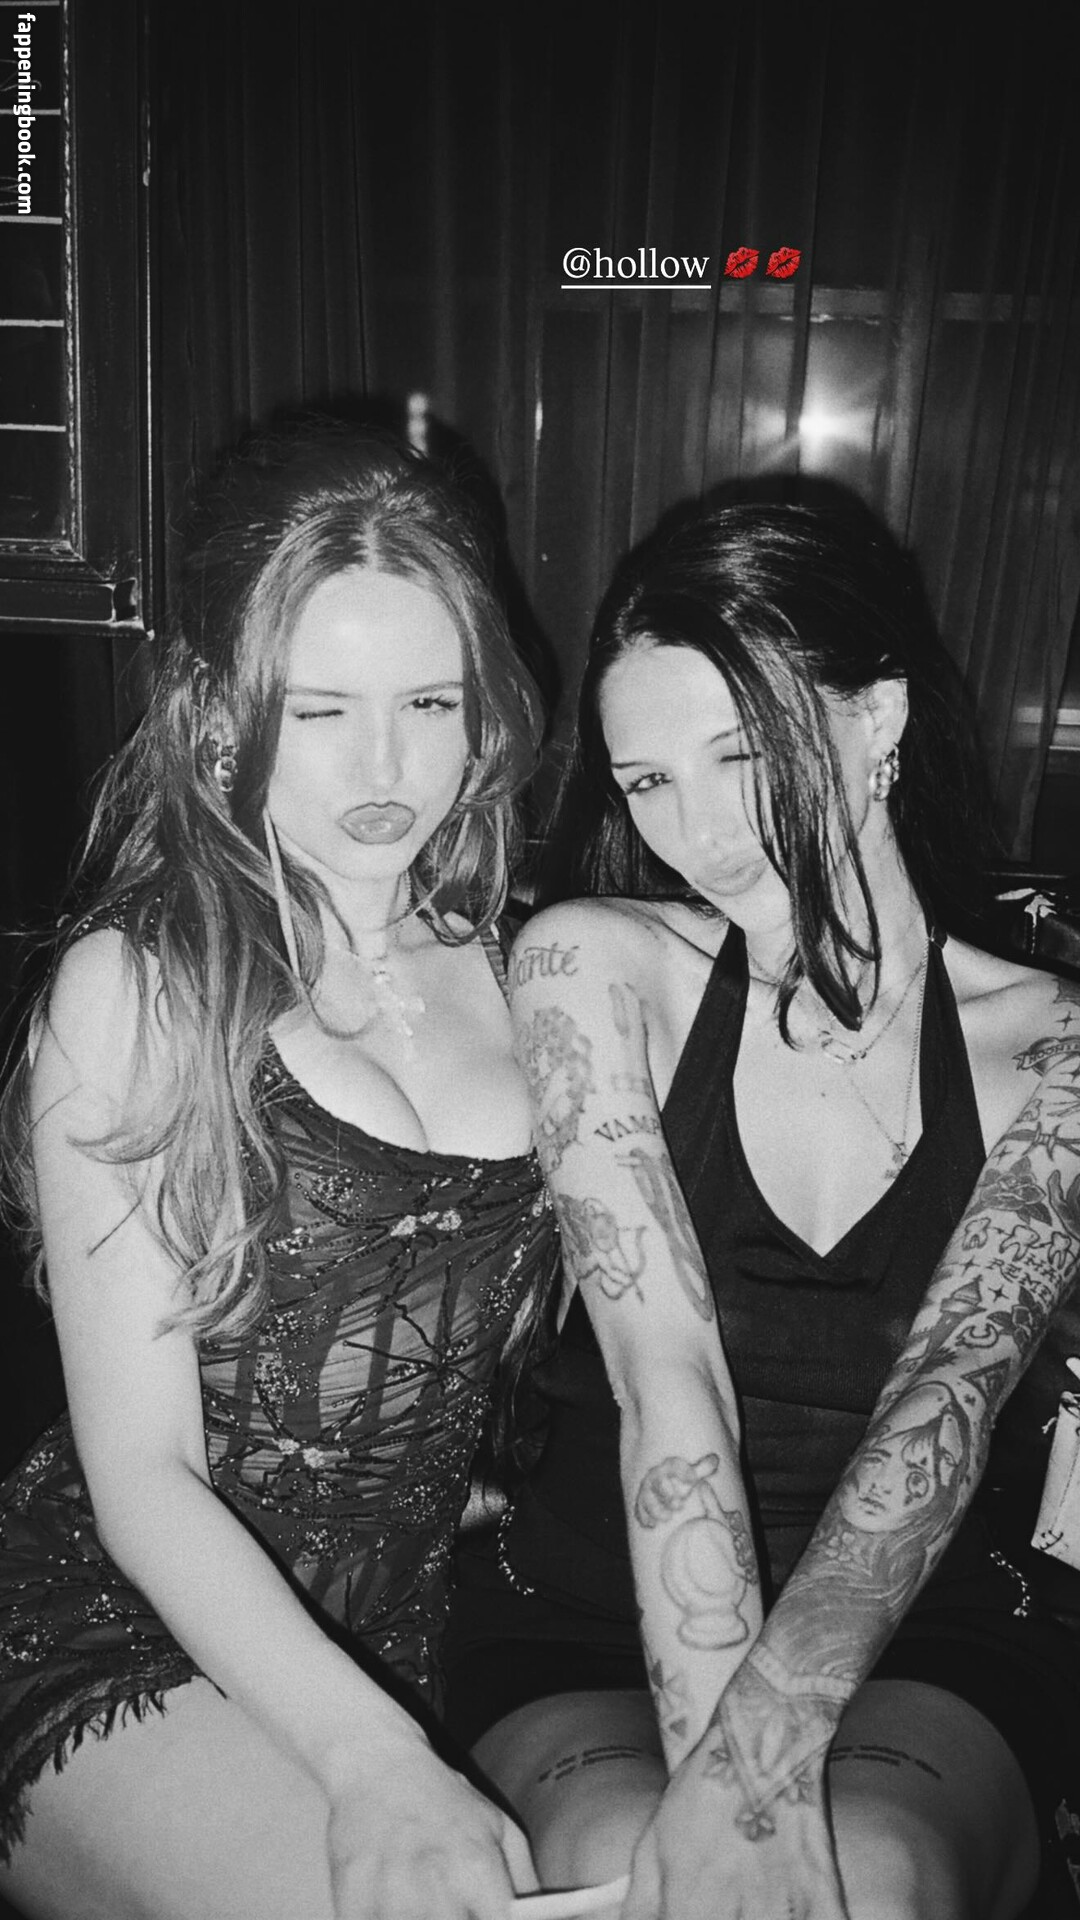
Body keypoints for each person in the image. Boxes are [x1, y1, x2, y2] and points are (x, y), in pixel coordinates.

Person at [443, 503, 1080, 1919]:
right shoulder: (591, 965)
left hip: (922, 1634)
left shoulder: (1057, 1047)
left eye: (739, 754)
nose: (699, 828)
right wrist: (727, 1796)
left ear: (878, 719)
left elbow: (944, 1405)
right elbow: (665, 1378)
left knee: (874, 1886)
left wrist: (761, 1765)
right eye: (648, 779)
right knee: (626, 1875)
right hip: (587, 1614)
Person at [0, 425, 557, 1920]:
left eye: (429, 702)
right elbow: (144, 1476)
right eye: (319, 711)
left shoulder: (533, 969)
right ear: (217, 715)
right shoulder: (146, 986)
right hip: (117, 1620)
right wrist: (378, 1761)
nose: (385, 769)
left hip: (395, 1635)